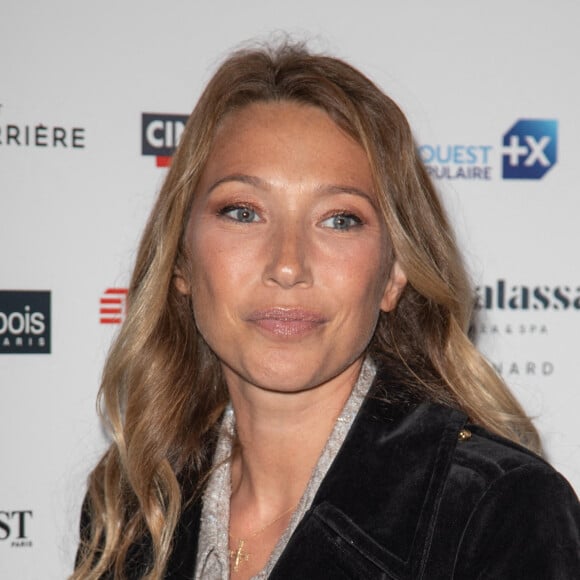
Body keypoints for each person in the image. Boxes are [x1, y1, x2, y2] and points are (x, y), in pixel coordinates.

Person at [73, 43, 580, 579]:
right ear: (181, 260)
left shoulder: (496, 512)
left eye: (339, 220)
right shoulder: (131, 513)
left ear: (393, 275)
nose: (288, 266)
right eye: (243, 212)